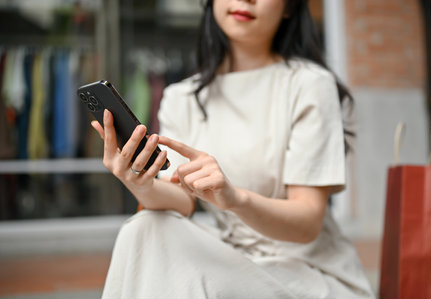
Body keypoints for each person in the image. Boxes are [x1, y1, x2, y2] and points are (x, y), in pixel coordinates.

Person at [92, 0, 375, 298]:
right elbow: (181, 201)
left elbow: (306, 225)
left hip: (307, 272)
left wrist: (235, 198)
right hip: (231, 259)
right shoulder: (182, 97)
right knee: (143, 228)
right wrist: (138, 182)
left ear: (289, 7)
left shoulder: (309, 85)